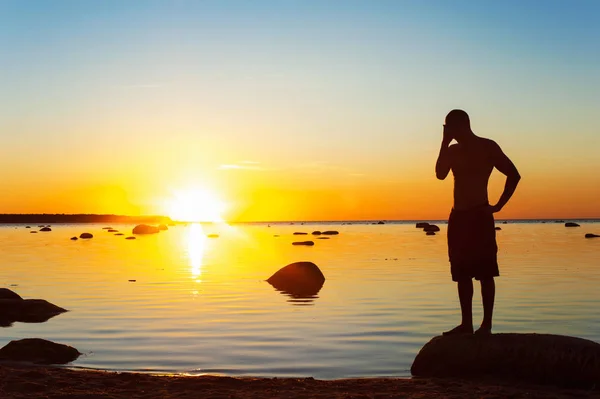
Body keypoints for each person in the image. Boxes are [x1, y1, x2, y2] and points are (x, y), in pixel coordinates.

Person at [435, 109, 521, 335]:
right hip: (458, 217)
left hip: (479, 216)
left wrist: (498, 206)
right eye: (446, 128)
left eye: (450, 127)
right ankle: (466, 324)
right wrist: (444, 142)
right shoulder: (452, 150)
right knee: (461, 273)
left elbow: (514, 174)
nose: (448, 131)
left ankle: (486, 325)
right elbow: (440, 174)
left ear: (463, 125)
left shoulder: (487, 147)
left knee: (485, 272)